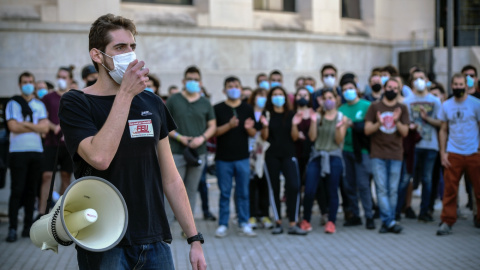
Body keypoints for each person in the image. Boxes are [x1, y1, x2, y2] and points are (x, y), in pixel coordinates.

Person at [58, 14, 206, 269]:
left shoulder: (151, 102)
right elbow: (100, 157)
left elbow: (170, 178)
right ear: (97, 55)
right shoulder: (76, 102)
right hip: (104, 241)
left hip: (154, 239)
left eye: (132, 47)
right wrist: (125, 93)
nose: (130, 55)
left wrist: (194, 239)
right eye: (119, 47)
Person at [165, 65, 216, 226]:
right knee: (171, 188)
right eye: (189, 79)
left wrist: (202, 138)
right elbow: (164, 124)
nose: (192, 82)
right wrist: (180, 137)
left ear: (200, 82)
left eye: (195, 79)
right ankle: (167, 224)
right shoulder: (174, 100)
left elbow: (212, 125)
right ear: (183, 81)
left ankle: (188, 226)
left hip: (198, 152)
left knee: (191, 190)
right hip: (177, 151)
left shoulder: (205, 103)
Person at [5, 71, 48, 242]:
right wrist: (35, 126)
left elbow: (45, 129)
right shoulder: (12, 104)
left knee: (32, 191)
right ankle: (12, 228)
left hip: (36, 152)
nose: (28, 84)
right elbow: (13, 127)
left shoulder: (39, 104)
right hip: (18, 152)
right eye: (25, 81)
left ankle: (28, 228)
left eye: (30, 81)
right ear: (20, 84)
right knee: (17, 190)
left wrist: (25, 123)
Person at [436, 74, 480, 235]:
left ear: (466, 86)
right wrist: (443, 153)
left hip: (474, 153)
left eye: (461, 84)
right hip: (453, 153)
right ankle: (447, 221)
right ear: (451, 85)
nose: (458, 87)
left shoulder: (476, 104)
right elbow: (443, 130)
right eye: (455, 84)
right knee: (450, 190)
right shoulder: (446, 105)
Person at [213, 76, 257, 238]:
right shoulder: (217, 108)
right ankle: (223, 224)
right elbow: (214, 132)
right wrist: (229, 126)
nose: (233, 89)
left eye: (236, 86)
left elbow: (254, 133)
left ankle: (244, 223)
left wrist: (248, 129)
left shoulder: (247, 108)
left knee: (243, 192)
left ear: (240, 88)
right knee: (225, 193)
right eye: (230, 86)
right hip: (223, 158)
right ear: (225, 90)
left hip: (242, 158)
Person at [365, 78, 409, 234]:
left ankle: (387, 222)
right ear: (384, 88)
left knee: (393, 189)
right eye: (389, 87)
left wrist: (396, 121)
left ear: (399, 90)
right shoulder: (375, 106)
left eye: (395, 88)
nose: (392, 90)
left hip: (396, 154)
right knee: (381, 189)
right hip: (378, 154)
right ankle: (390, 221)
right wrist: (379, 123)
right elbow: (367, 130)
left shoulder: (402, 107)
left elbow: (405, 132)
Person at [261, 86, 307, 235]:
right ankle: (278, 221)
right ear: (270, 98)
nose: (278, 97)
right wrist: (265, 125)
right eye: (275, 94)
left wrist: (294, 124)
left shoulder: (291, 114)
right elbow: (264, 137)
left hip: (289, 154)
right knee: (273, 188)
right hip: (271, 155)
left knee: (294, 185)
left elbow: (294, 137)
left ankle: (293, 222)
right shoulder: (266, 114)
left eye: (281, 94)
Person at [300, 88, 347, 234]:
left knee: (332, 190)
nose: (328, 101)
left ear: (336, 99)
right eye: (325, 98)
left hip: (334, 156)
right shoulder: (317, 116)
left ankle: (331, 222)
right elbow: (312, 138)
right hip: (317, 156)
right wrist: (314, 121)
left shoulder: (341, 117)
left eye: (331, 98)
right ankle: (306, 220)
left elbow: (339, 141)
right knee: (309, 190)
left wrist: (339, 128)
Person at [402, 69, 442, 222]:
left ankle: (425, 211)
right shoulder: (407, 102)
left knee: (427, 179)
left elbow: (441, 123)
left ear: (427, 80)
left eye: (422, 78)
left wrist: (427, 119)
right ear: (412, 82)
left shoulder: (435, 101)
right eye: (416, 78)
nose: (419, 81)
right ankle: (403, 208)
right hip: (413, 147)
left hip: (431, 145)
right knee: (407, 178)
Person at [37, 66, 76, 219]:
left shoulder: (75, 96)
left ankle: (59, 214)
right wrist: (55, 127)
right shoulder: (48, 98)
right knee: (46, 176)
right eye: (59, 76)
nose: (61, 79)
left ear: (70, 80)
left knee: (66, 176)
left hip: (69, 144)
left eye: (64, 77)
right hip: (51, 143)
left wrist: (66, 130)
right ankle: (42, 212)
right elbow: (42, 117)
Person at [338, 79, 375, 230]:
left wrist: (354, 125)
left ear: (357, 89)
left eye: (351, 88)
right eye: (345, 89)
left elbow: (370, 128)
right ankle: (355, 215)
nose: (348, 91)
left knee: (363, 184)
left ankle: (369, 215)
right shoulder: (341, 109)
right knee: (349, 185)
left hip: (363, 152)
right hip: (346, 150)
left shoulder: (366, 106)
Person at [246, 88, 273, 230]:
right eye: (259, 95)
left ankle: (264, 214)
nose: (262, 98)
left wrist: (264, 126)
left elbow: (265, 135)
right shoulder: (248, 112)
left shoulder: (267, 114)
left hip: (263, 154)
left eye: (265, 96)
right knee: (251, 186)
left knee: (264, 185)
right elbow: (248, 131)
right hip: (249, 154)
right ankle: (252, 215)